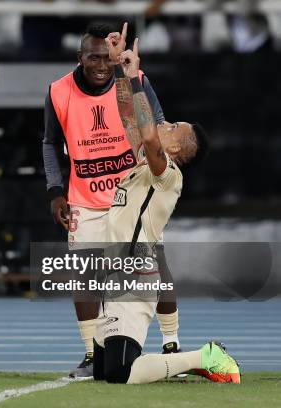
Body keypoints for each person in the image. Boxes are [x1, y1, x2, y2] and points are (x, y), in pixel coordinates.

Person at [92, 33, 239, 385]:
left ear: (180, 150)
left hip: (135, 274)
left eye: (174, 128)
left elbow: (145, 132)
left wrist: (136, 78)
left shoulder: (168, 174)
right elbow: (130, 119)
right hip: (113, 270)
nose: (166, 124)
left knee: (120, 373)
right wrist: (118, 69)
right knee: (101, 371)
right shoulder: (147, 164)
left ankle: (204, 356)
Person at [42, 22, 180, 380]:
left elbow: (159, 123)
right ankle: (91, 355)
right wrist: (55, 190)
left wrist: (160, 176)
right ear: (80, 57)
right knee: (85, 278)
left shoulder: (134, 79)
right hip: (84, 199)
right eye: (94, 58)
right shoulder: (58, 92)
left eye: (107, 58)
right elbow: (49, 144)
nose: (102, 64)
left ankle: (171, 343)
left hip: (132, 198)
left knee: (157, 269)